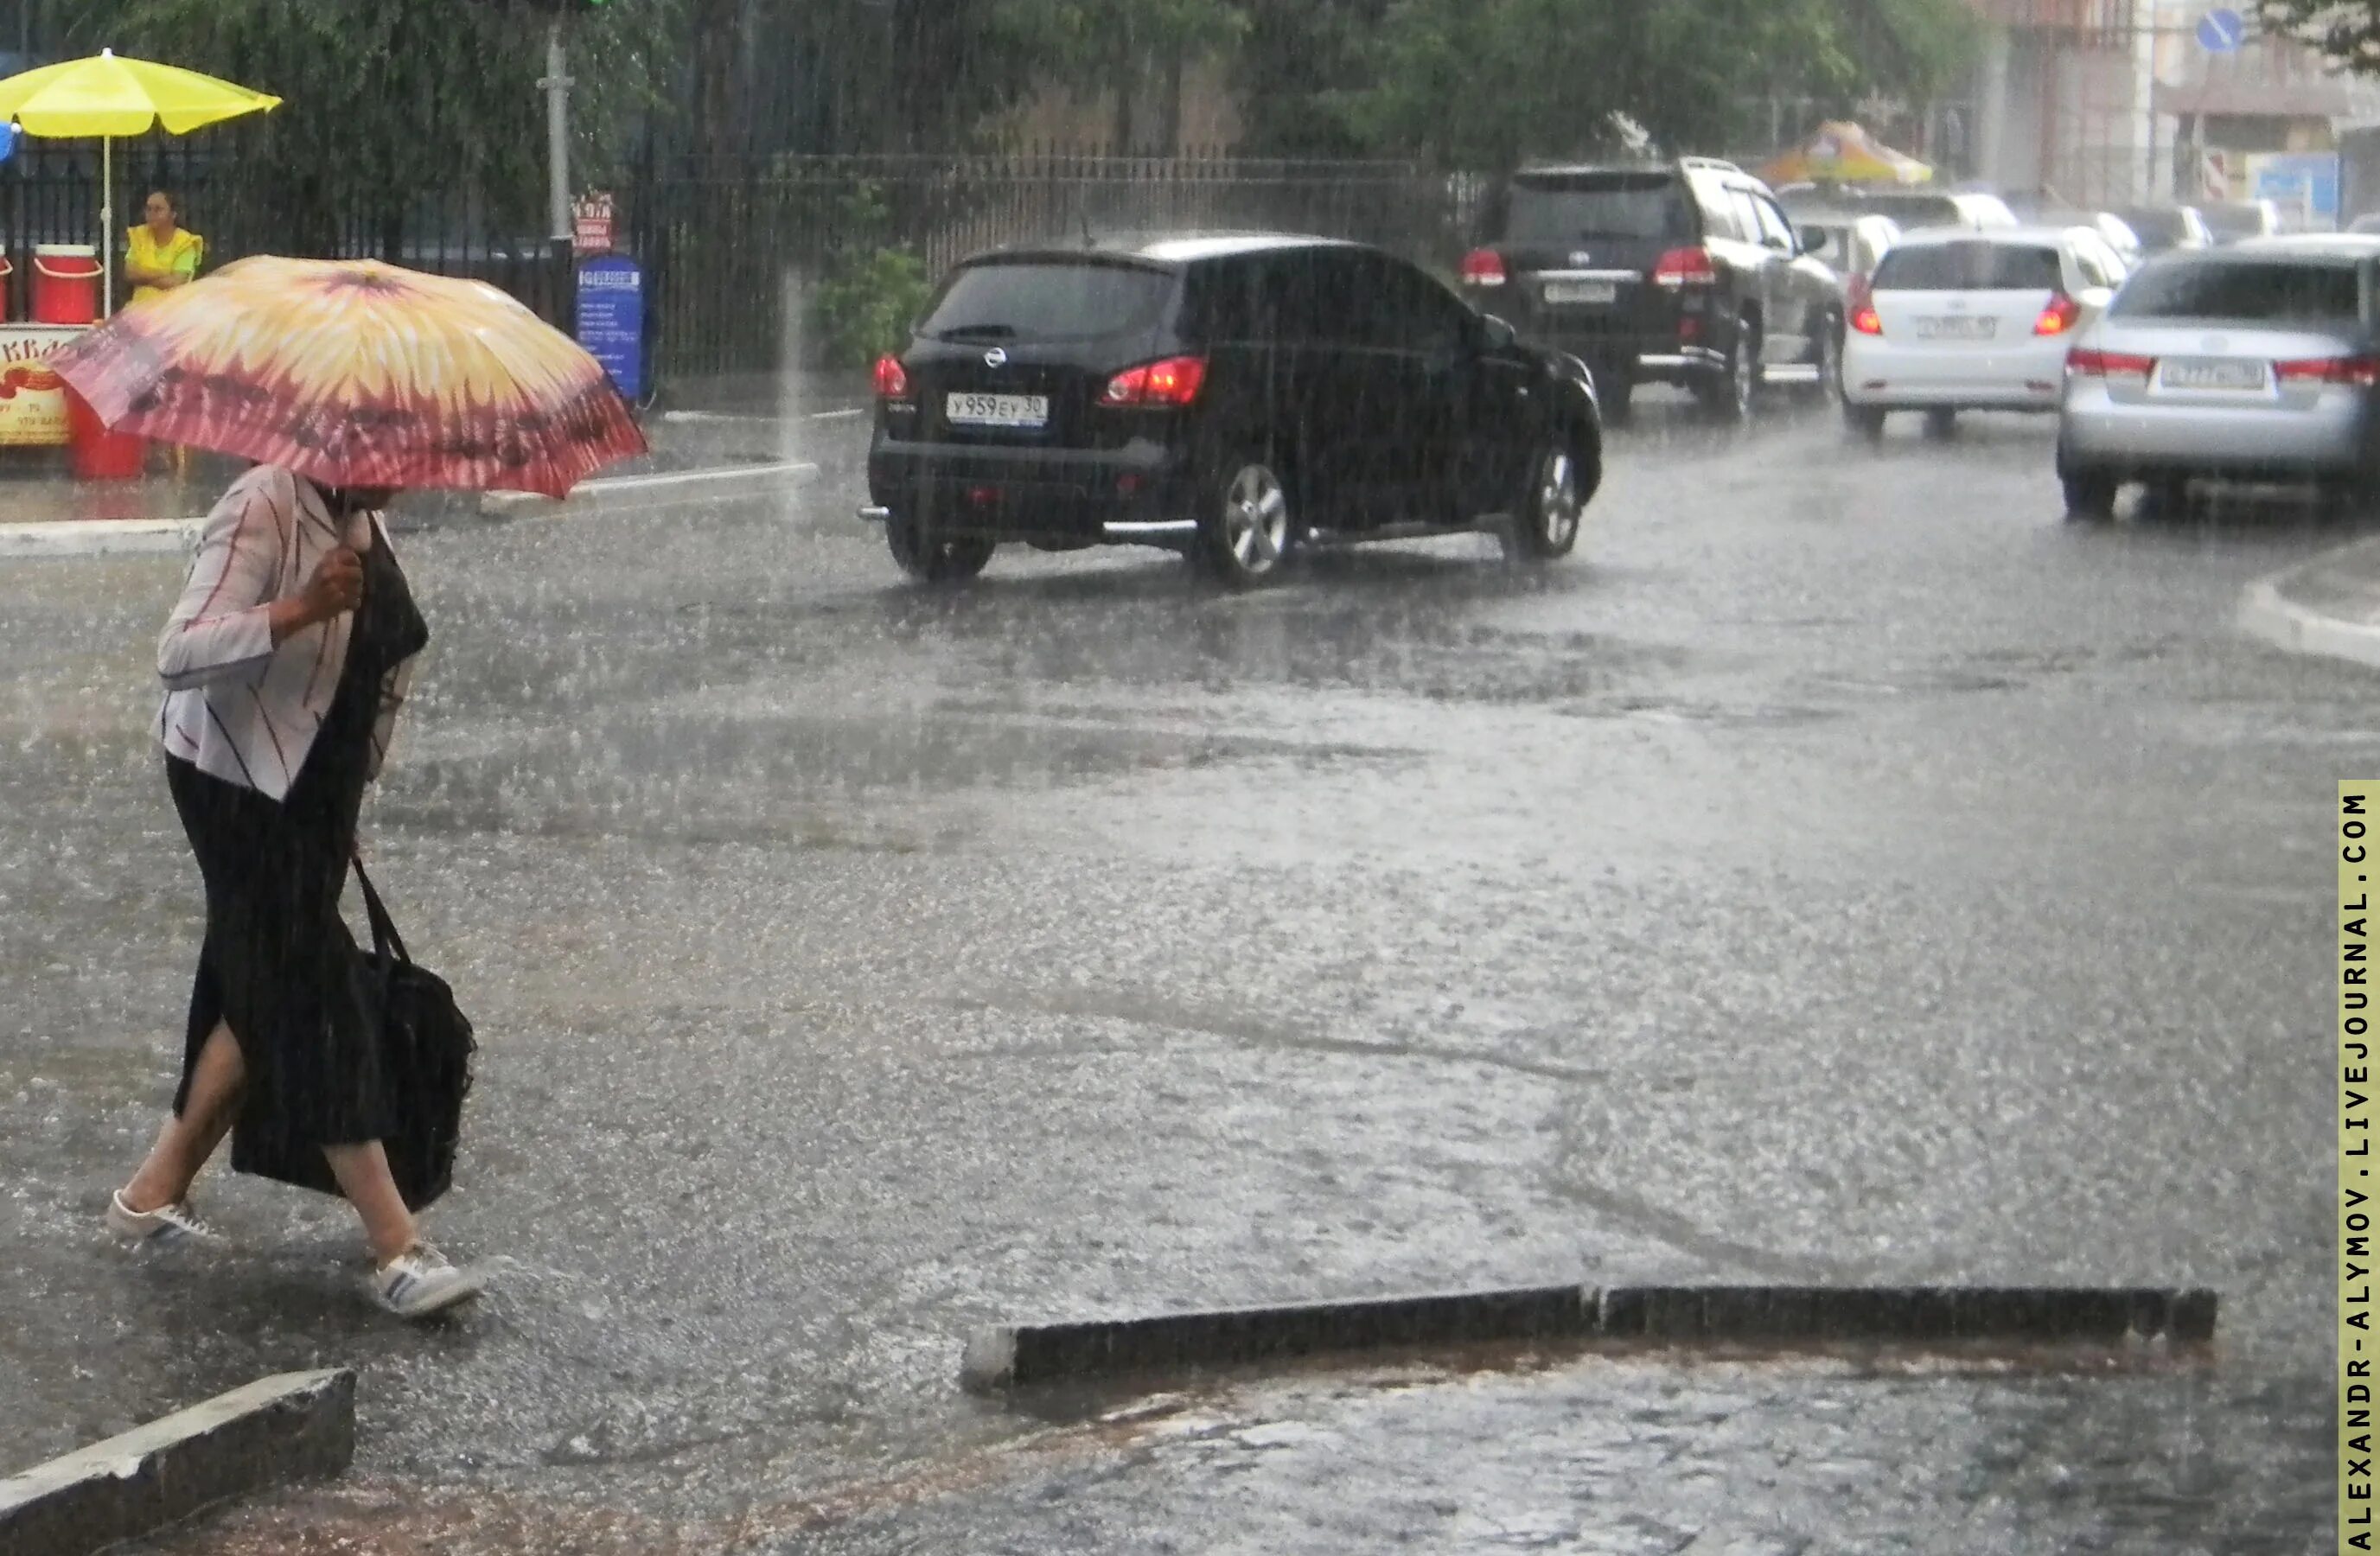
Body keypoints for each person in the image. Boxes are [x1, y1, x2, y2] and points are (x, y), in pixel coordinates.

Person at [107, 462, 487, 1321]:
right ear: (341, 435)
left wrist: (349, 785)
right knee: (311, 985)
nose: (408, 473)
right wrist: (300, 610)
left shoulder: (362, 522)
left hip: (315, 792)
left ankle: (149, 1194)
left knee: (259, 984)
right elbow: (179, 653)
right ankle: (395, 1245)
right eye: (391, 450)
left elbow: (372, 671)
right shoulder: (261, 505)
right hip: (233, 784)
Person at [123, 189, 203, 308]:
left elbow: (177, 283)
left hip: (171, 314)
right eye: (148, 209)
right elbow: (129, 273)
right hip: (139, 311)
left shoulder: (185, 243)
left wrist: (143, 277)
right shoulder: (139, 236)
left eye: (158, 209)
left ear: (173, 214)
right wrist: (163, 273)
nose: (151, 214)